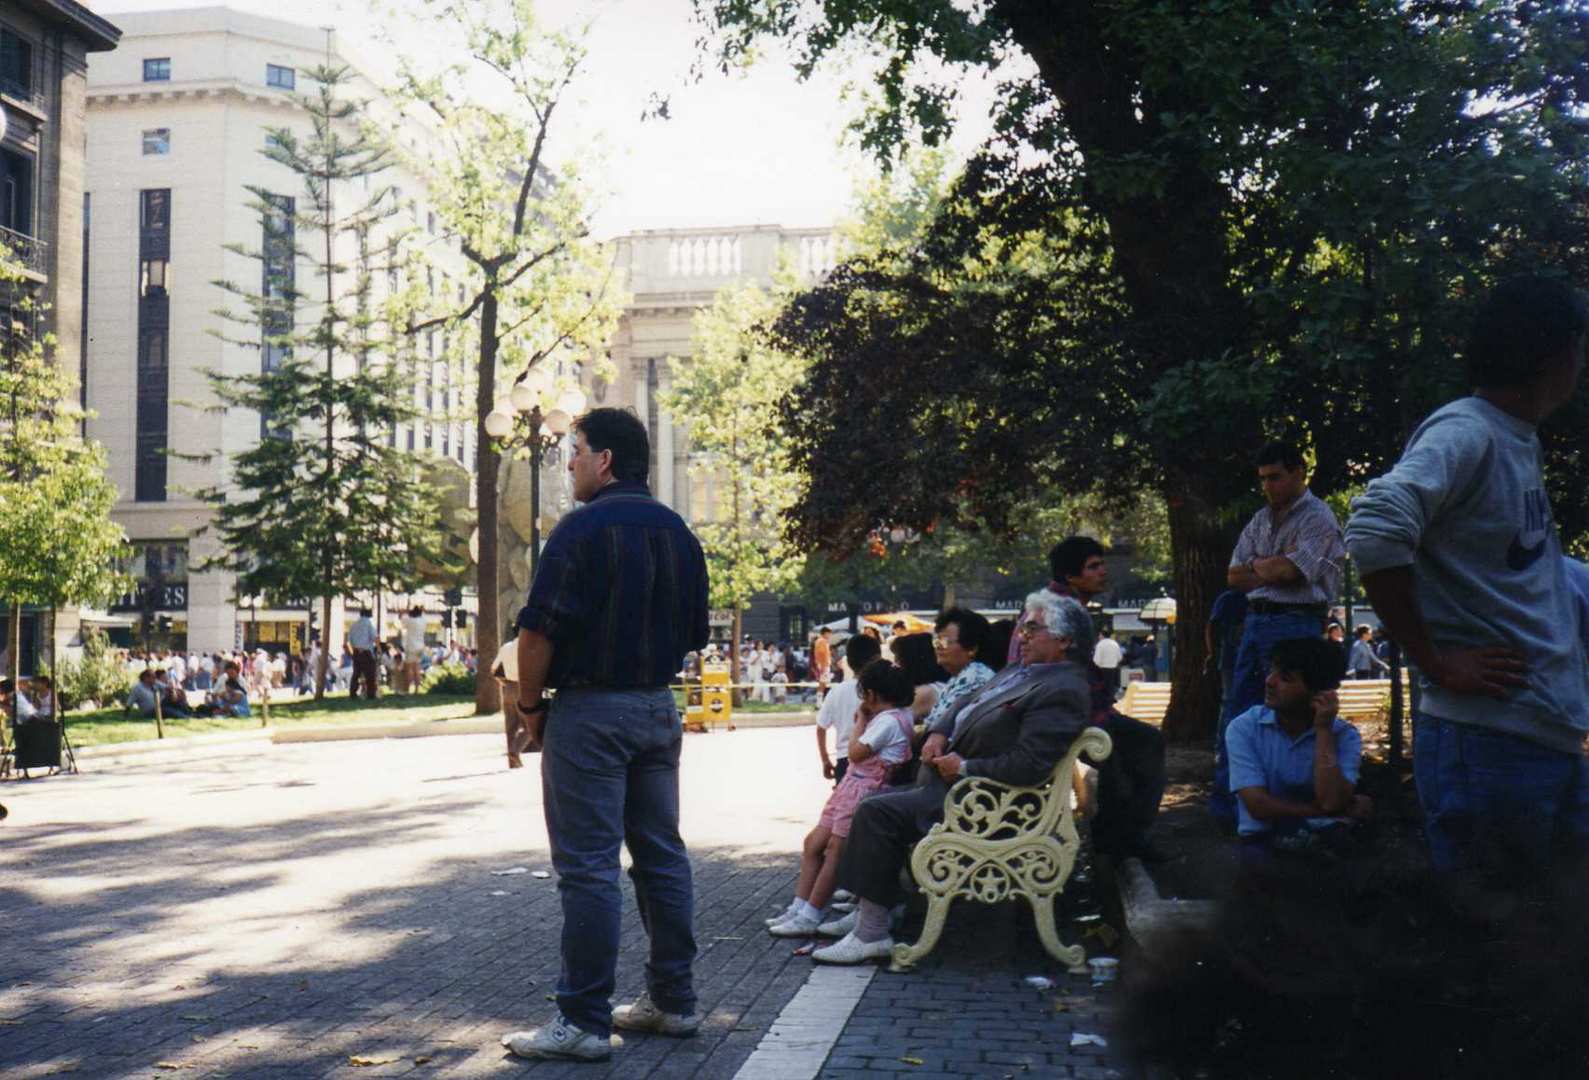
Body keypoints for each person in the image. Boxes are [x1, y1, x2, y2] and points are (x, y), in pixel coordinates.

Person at [1346, 276, 1589, 878]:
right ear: (1555, 354)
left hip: (1541, 738)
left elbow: (1519, 571)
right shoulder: (1467, 431)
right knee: (1494, 952)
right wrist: (1435, 659)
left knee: (1549, 948)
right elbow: (1376, 528)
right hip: (1487, 747)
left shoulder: (1515, 439)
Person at [501, 407, 710, 1062]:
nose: (567, 463)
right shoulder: (678, 531)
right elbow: (695, 633)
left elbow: (537, 631)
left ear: (606, 460)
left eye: (576, 450)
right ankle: (673, 1002)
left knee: (588, 868)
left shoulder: (581, 528)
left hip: (590, 711)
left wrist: (530, 708)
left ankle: (584, 1022)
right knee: (660, 855)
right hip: (657, 707)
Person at [813, 590, 1093, 964]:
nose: (1021, 635)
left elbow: (1029, 764)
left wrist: (963, 767)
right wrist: (940, 733)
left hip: (983, 804)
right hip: (958, 787)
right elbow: (964, 704)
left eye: (1032, 628)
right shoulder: (1023, 671)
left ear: (1065, 640)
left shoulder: (1063, 688)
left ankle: (871, 931)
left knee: (874, 810)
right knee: (873, 800)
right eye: (1023, 627)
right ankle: (873, 911)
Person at [1211, 441, 1346, 828]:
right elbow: (1234, 576)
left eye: (1275, 477)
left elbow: (1293, 573)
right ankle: (1229, 807)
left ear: (1299, 472)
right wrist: (1270, 564)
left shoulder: (1318, 518)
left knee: (1295, 714)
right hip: (1255, 621)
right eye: (1263, 479)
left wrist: (1263, 567)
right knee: (1237, 713)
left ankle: (1297, 803)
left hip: (1297, 622)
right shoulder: (1259, 520)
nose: (1268, 486)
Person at [1017, 536, 1167, 860]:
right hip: (1061, 711)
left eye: (1102, 564)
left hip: (1072, 707)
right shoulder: (1059, 610)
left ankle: (1116, 841)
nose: (1103, 572)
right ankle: (1120, 841)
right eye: (1094, 566)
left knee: (1136, 750)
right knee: (1137, 750)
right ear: (1071, 576)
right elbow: (1042, 669)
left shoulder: (1059, 605)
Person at [767, 661, 917, 937]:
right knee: (814, 843)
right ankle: (799, 907)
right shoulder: (899, 716)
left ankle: (811, 913)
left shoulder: (887, 721)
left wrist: (859, 723)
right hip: (851, 786)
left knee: (835, 849)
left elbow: (856, 753)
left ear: (871, 695)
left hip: (864, 788)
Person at [1226, 637, 1369, 859]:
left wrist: (1323, 731)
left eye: (1286, 678)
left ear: (1317, 692)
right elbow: (1258, 805)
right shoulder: (1245, 728)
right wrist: (1331, 810)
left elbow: (1330, 799)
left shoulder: (1344, 735)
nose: (1270, 682)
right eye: (1271, 671)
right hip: (1263, 838)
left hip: (1324, 835)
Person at [816, 634, 884, 786]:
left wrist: (825, 760)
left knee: (844, 806)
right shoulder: (882, 690)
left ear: (849, 661)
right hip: (876, 759)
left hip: (844, 760)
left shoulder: (837, 691)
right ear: (877, 659)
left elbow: (821, 727)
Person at [348, 607, 379, 700]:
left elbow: (350, 639)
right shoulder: (369, 623)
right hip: (366, 652)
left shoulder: (353, 625)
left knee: (356, 674)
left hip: (356, 651)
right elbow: (375, 637)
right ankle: (371, 694)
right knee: (370, 674)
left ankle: (352, 693)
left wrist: (355, 648)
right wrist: (379, 648)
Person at [400, 607, 427, 693]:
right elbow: (423, 613)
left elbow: (401, 617)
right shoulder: (423, 621)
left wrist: (405, 611)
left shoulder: (410, 621)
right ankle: (417, 689)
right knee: (417, 668)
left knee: (408, 669)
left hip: (411, 647)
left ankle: (406, 689)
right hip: (420, 646)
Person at [811, 628, 833, 699]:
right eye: (829, 633)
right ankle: (819, 701)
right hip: (824, 665)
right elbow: (822, 653)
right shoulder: (822, 641)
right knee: (822, 684)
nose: (830, 635)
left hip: (823, 665)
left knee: (823, 684)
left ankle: (820, 701)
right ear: (825, 633)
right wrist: (823, 667)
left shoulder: (820, 641)